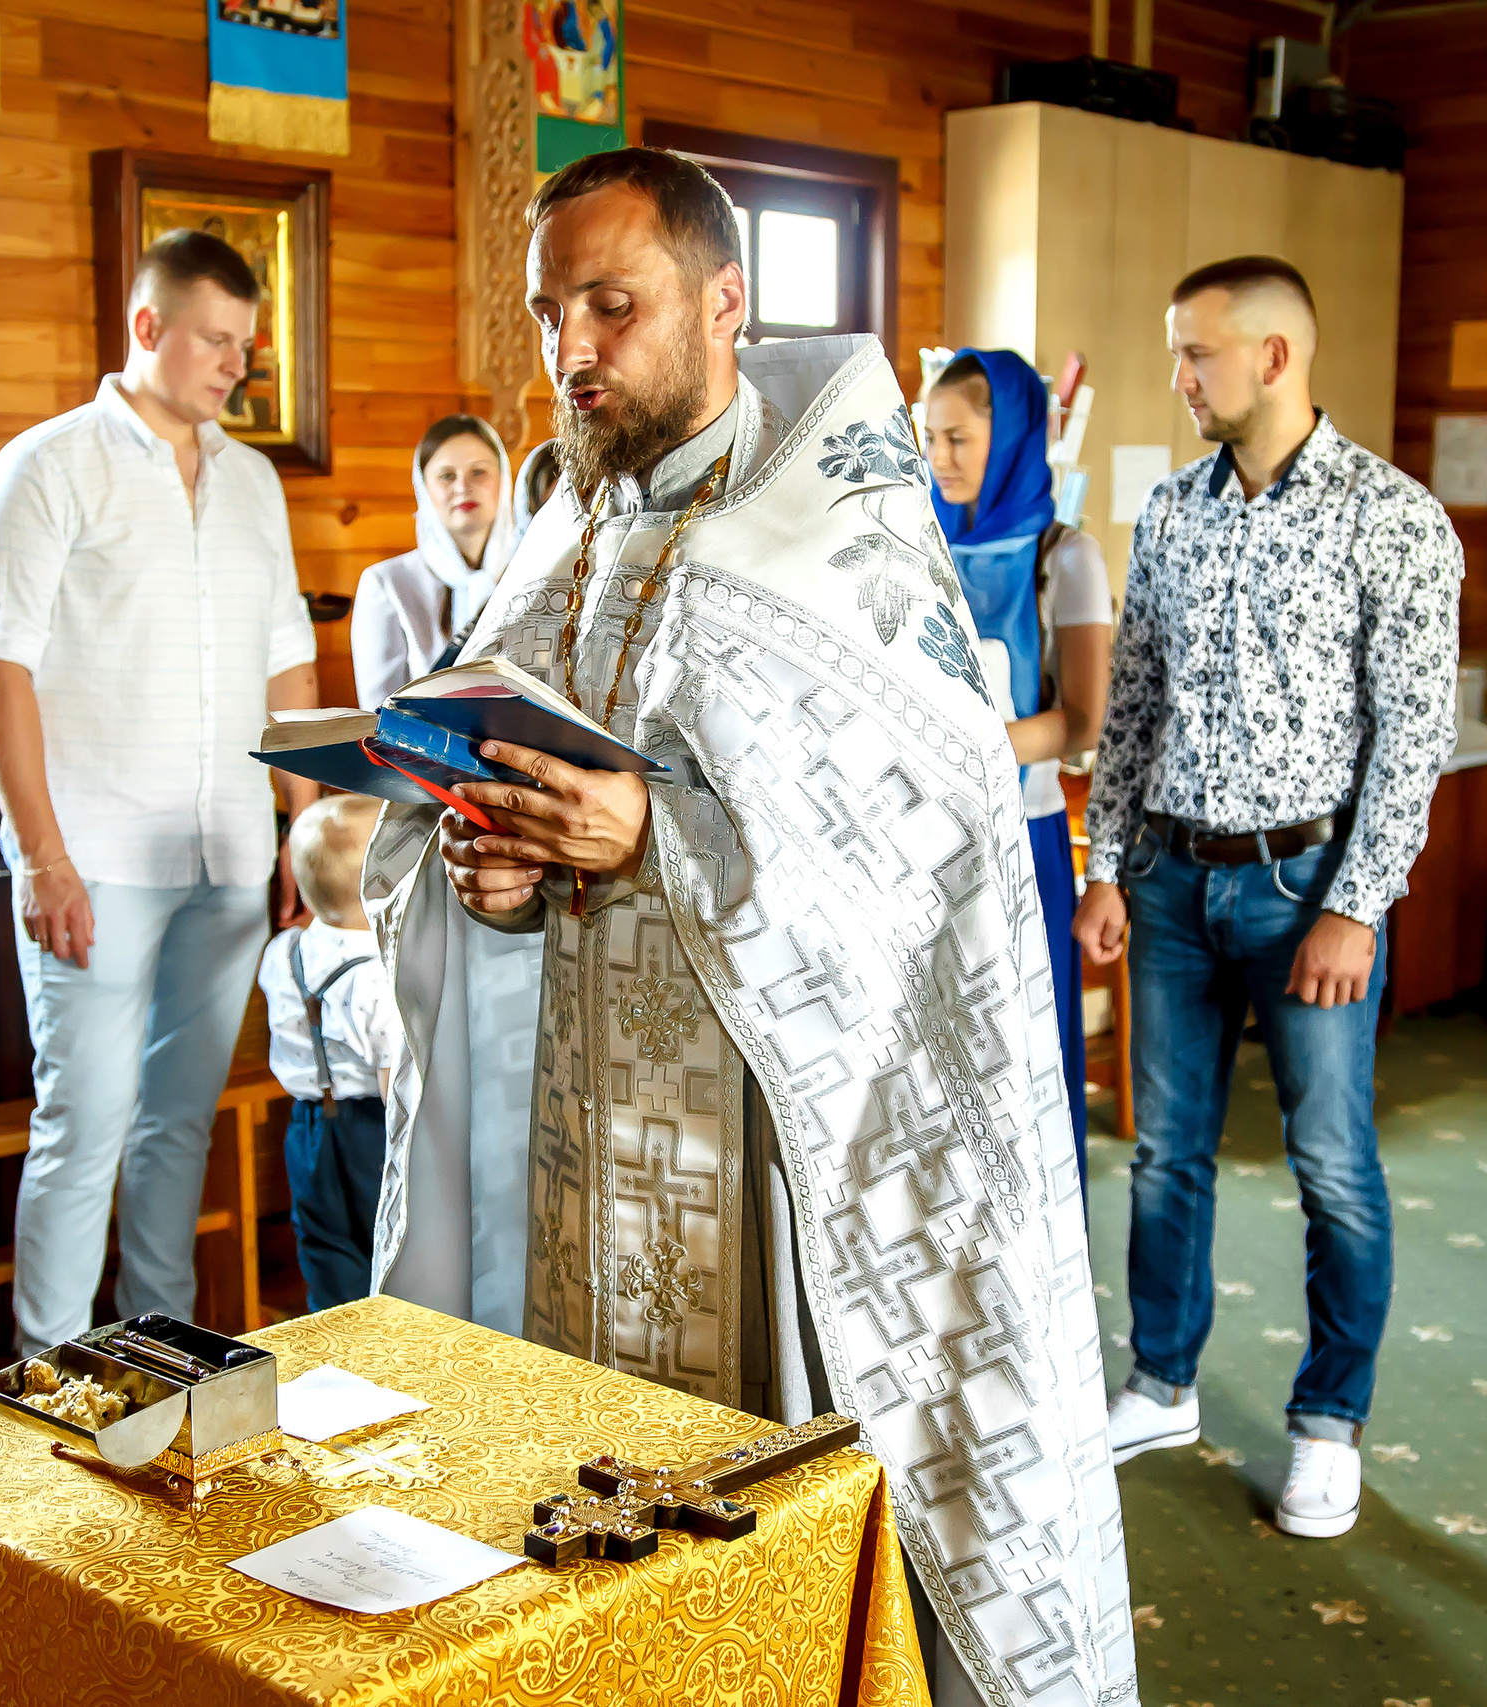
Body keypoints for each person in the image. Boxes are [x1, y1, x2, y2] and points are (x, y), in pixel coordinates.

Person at [365, 146, 1137, 1707]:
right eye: (546, 313)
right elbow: (460, 790)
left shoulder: (840, 531)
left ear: (726, 301)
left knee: (779, 1531)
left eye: (611, 304)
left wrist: (664, 829)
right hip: (583, 1136)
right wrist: (484, 868)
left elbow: (934, 850)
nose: (572, 350)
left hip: (778, 1143)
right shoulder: (552, 527)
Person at [1076, 255, 1462, 1540]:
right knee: (1166, 1158)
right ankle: (1162, 1384)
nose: (1179, 377)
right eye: (1177, 353)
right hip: (1172, 887)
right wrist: (1104, 867)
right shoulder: (1174, 510)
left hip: (1311, 890)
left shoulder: (1391, 516)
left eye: (1197, 354)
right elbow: (1133, 707)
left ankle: (1327, 1422)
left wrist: (1359, 906)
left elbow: (1412, 739)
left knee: (1332, 1167)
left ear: (1275, 359)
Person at [0, 227, 321, 1355]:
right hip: (96, 860)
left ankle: (156, 1352)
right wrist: (42, 859)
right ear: (147, 327)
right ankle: (48, 1381)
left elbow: (286, 662)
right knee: (85, 1127)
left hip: (226, 856)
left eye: (246, 349)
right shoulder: (47, 466)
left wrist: (303, 837)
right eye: (215, 340)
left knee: (179, 1127)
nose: (233, 365)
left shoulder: (253, 481)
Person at [923, 348, 1113, 1161]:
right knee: (937, 1070)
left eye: (959, 438)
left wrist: (974, 747)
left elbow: (1084, 722)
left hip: (1020, 838)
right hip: (924, 839)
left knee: (1022, 1061)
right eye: (929, 438)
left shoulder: (1064, 555)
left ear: (1011, 435)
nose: (941, 458)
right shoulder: (918, 542)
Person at [260, 795, 400, 1310]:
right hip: (371, 1131)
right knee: (385, 1256)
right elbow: (394, 1084)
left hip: (307, 1126)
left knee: (325, 1254)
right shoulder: (378, 977)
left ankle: (337, 1356)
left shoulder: (284, 952)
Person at [350, 414, 518, 706]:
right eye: (447, 476)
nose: (463, 487)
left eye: (479, 472)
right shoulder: (386, 585)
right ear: (424, 488)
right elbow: (377, 713)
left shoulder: (530, 573)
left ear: (503, 481)